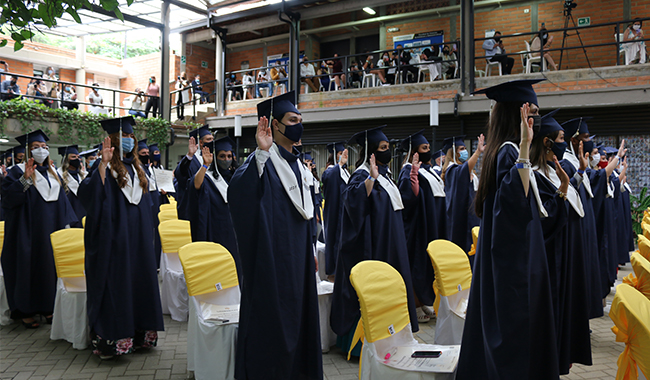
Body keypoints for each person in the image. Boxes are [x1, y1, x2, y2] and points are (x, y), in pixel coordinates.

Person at [457, 79, 560, 379]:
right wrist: (526, 148)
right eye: (532, 111)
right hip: (513, 271)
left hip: (518, 264)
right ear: (518, 113)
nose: (536, 119)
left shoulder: (507, 151)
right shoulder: (508, 152)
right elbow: (512, 207)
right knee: (515, 349)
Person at [228, 91, 322, 379]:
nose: (298, 125)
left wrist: (312, 250)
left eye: (300, 120)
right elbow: (240, 193)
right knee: (275, 322)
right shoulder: (262, 163)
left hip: (300, 261)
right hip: (273, 260)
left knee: (301, 320)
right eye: (292, 120)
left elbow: (309, 214)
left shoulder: (300, 166)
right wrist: (261, 151)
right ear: (275, 125)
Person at [78, 116, 164, 359]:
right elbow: (89, 197)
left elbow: (148, 205)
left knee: (139, 282)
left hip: (138, 240)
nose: (128, 140)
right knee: (117, 283)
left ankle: (139, 336)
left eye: (131, 137)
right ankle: (113, 341)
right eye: (124, 136)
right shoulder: (101, 167)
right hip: (114, 240)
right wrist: (104, 166)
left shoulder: (139, 168)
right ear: (113, 140)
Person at [330, 125, 419, 356]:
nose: (387, 151)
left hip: (391, 243)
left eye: (388, 147)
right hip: (375, 247)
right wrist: (371, 177)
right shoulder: (362, 174)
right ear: (371, 151)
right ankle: (364, 345)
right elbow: (352, 202)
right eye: (383, 147)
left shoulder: (386, 175)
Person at [530, 111, 592, 375]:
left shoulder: (551, 172)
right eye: (561, 138)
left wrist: (574, 176)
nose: (564, 143)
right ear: (546, 142)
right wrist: (565, 187)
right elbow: (548, 217)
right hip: (553, 260)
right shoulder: (534, 175)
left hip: (565, 258)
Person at [1, 130, 77, 329]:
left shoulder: (53, 173)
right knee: (29, 268)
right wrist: (25, 180)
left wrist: (66, 226)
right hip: (28, 232)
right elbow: (8, 201)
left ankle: (48, 308)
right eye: (35, 147)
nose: (41, 150)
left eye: (43, 147)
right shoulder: (17, 171)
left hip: (52, 229)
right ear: (28, 150)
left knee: (50, 267)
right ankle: (26, 311)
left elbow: (62, 202)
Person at [558, 118, 605, 319]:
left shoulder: (576, 160)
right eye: (585, 137)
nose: (589, 141)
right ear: (574, 140)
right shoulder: (566, 162)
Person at [398, 130, 446, 323]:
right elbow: (407, 199)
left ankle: (426, 299)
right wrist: (414, 175)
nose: (428, 151)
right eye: (424, 148)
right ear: (414, 151)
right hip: (418, 227)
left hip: (431, 223)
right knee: (418, 263)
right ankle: (416, 303)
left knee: (428, 264)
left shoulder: (426, 171)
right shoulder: (407, 170)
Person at [186, 136, 240, 274]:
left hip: (235, 229)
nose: (226, 159)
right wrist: (205, 165)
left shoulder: (236, 176)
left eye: (229, 156)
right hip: (216, 228)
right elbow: (196, 185)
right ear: (215, 157)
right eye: (222, 156)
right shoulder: (208, 177)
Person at [441, 135, 483, 257]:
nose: (464, 151)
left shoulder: (467, 169)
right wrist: (478, 152)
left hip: (474, 213)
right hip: (463, 216)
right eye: (461, 148)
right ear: (452, 152)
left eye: (465, 148)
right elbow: (462, 173)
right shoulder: (452, 169)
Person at [320, 141, 349, 280]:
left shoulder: (344, 171)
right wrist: (340, 165)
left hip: (344, 212)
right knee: (336, 239)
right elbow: (328, 179)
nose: (343, 155)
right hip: (335, 212)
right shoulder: (331, 170)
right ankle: (334, 272)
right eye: (340, 153)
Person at [174, 125, 213, 220]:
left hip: (208, 206)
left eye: (212, 139)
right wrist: (189, 155)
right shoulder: (191, 160)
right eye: (209, 139)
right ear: (200, 142)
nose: (212, 142)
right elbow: (180, 173)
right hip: (192, 207)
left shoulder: (213, 160)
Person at [137, 139, 163, 267]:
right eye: (143, 153)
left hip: (154, 201)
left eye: (148, 152)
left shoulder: (150, 169)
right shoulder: (136, 170)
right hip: (144, 202)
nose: (147, 155)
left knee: (154, 232)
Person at [57, 145, 87, 228]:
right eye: (73, 157)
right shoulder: (59, 175)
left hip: (85, 213)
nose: (77, 159)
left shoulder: (84, 175)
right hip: (70, 214)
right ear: (66, 159)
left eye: (78, 157)